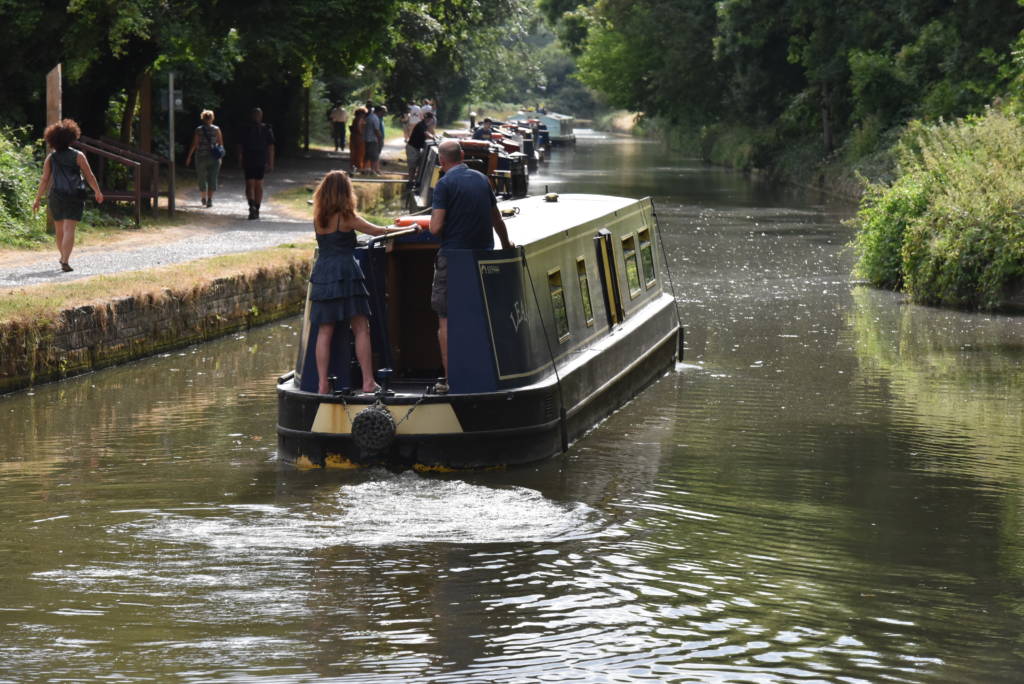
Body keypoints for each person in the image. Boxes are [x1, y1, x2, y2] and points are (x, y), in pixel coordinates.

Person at [423, 140, 513, 393]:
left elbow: (436, 227)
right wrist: (506, 245)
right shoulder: (482, 180)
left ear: (442, 161)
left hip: (452, 259)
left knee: (446, 317)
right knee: (480, 314)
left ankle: (452, 380)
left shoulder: (444, 184)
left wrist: (432, 223)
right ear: (462, 155)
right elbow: (496, 219)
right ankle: (484, 372)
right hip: (482, 257)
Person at [309, 170, 406, 394]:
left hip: (324, 272)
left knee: (325, 331)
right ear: (345, 193)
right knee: (361, 327)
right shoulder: (347, 217)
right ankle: (368, 381)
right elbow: (378, 231)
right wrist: (407, 229)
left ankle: (322, 383)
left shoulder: (318, 219)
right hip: (347, 271)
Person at [32, 118, 104, 272]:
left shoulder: (51, 157)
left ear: (53, 139)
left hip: (56, 195)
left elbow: (45, 180)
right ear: (72, 137)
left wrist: (37, 198)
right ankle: (65, 259)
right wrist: (97, 191)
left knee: (59, 230)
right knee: (69, 228)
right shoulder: (78, 155)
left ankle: (63, 257)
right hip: (74, 195)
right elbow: (89, 175)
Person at [237, 107, 275, 220]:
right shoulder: (246, 128)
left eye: (258, 115)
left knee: (256, 184)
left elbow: (271, 147)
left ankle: (256, 207)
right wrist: (240, 158)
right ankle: (252, 206)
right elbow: (239, 145)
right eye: (255, 115)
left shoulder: (266, 129)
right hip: (250, 159)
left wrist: (271, 162)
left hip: (259, 159)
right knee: (251, 184)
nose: (257, 117)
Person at [184, 109, 224, 207]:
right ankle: (210, 199)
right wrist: (221, 157)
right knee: (212, 178)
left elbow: (195, 144)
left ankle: (203, 198)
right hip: (214, 158)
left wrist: (189, 157)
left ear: (203, 118)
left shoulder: (199, 129)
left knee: (202, 177)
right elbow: (220, 144)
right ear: (212, 118)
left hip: (201, 157)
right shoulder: (216, 129)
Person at [406, 111, 434, 177]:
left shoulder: (424, 125)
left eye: (429, 119)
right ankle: (410, 182)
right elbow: (426, 133)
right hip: (412, 147)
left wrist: (434, 136)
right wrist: (433, 137)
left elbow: (427, 133)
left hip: (417, 148)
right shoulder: (421, 124)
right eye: (427, 118)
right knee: (412, 166)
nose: (428, 120)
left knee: (418, 165)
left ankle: (414, 181)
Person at [363, 105, 384, 175]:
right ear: (379, 112)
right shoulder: (375, 118)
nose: (383, 114)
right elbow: (376, 130)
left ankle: (365, 169)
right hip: (372, 139)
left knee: (367, 155)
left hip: (366, 138)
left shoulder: (369, 117)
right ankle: (373, 170)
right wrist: (380, 138)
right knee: (374, 156)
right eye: (382, 112)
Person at [349, 107, 366, 173]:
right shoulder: (360, 119)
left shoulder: (354, 119)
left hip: (353, 137)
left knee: (353, 153)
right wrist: (361, 133)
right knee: (360, 153)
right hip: (359, 138)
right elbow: (359, 128)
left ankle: (353, 167)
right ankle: (358, 167)